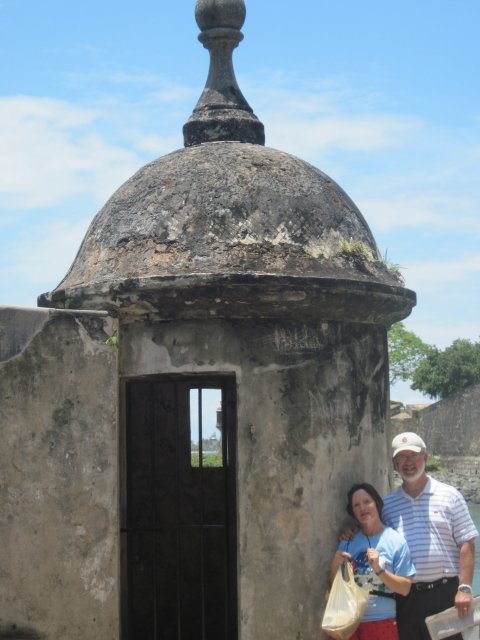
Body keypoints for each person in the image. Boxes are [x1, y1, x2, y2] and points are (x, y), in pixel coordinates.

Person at [384, 431, 479, 640]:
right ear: (394, 463)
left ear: (425, 457)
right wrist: (351, 530)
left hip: (445, 594)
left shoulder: (450, 495)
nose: (408, 462)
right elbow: (373, 534)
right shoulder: (387, 505)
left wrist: (464, 588)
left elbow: (467, 543)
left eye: (413, 456)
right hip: (405, 598)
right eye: (402, 457)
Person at [330, 483, 415, 640]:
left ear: (377, 503)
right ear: (352, 512)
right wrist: (334, 566)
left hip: (381, 621)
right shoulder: (348, 540)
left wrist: (380, 570)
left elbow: (405, 588)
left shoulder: (395, 541)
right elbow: (336, 585)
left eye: (367, 502)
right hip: (347, 621)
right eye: (356, 505)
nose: (363, 508)